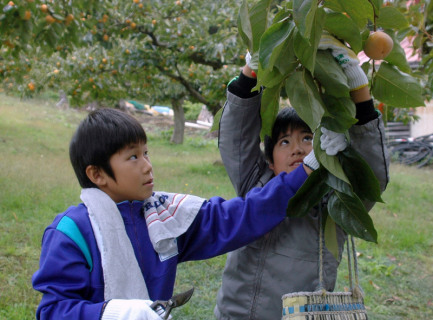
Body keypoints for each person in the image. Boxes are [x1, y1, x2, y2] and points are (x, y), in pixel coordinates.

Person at [32, 106, 345, 320]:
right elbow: (54, 310)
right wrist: (118, 312)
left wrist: (305, 171)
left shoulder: (162, 218)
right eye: (132, 157)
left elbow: (243, 215)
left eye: (146, 152)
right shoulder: (72, 233)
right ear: (98, 174)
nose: (147, 165)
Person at [214, 37, 390, 320]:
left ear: (325, 147)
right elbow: (236, 137)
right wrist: (251, 72)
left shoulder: (334, 201)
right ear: (269, 159)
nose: (296, 148)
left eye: (308, 138)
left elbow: (373, 175)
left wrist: (359, 90)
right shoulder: (256, 184)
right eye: (284, 142)